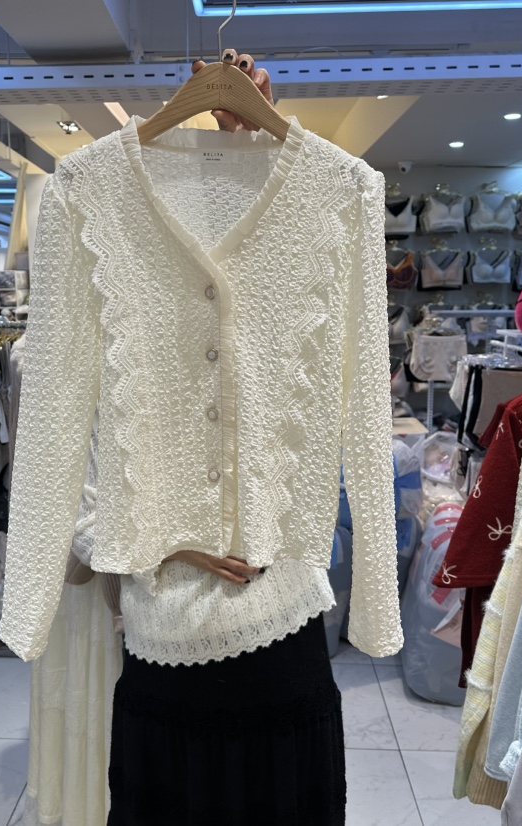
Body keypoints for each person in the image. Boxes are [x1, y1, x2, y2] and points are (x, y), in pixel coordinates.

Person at [105, 51, 346, 826]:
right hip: (164, 640)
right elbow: (72, 471)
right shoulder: (101, 209)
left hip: (282, 628)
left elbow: (341, 408)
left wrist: (260, 145)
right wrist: (165, 536)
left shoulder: (330, 198)